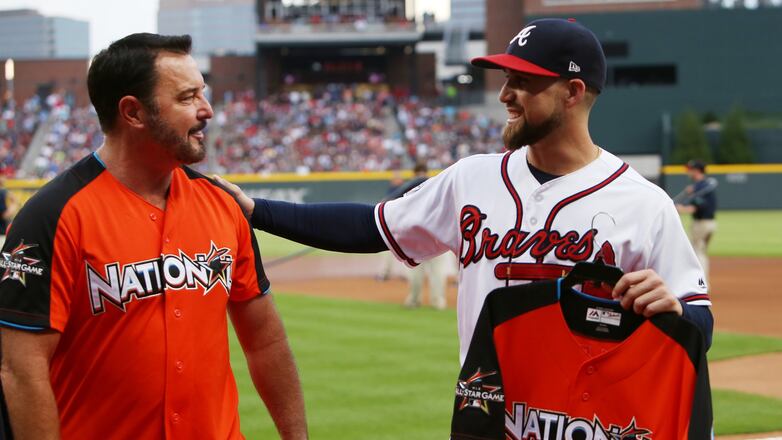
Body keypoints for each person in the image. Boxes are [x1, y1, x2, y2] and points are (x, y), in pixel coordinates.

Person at [214, 18, 713, 364]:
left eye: (523, 81)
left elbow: (698, 324)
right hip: (487, 422)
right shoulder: (471, 178)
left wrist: (675, 310)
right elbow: (371, 226)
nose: (503, 94)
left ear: (573, 92)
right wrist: (256, 210)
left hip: (592, 419)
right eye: (504, 77)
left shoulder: (643, 204)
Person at [0, 34, 307, 439]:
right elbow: (22, 371)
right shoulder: (51, 216)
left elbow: (265, 340)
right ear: (133, 113)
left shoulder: (221, 204)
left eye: (203, 93)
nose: (207, 109)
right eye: (186, 97)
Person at [387, 162, 448, 310]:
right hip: (436, 237)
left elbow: (390, 202)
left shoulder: (411, 189)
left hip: (419, 237)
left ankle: (417, 300)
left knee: (419, 271)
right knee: (435, 272)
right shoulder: (438, 185)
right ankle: (437, 302)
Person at [675, 159, 718, 282]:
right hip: (711, 224)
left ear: (697, 171)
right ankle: (703, 282)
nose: (688, 172)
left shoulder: (703, 187)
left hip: (701, 224)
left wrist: (682, 209)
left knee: (697, 253)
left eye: (690, 170)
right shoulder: (702, 186)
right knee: (702, 252)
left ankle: (701, 283)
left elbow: (698, 206)